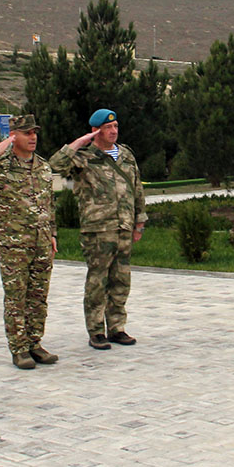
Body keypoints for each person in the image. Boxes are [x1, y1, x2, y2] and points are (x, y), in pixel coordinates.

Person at [0, 114, 58, 369]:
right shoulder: (1, 166)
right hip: (14, 245)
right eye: (27, 133)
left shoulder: (42, 166)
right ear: (13, 136)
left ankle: (35, 343)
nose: (33, 137)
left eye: (34, 132)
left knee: (38, 297)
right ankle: (19, 349)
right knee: (16, 298)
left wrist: (52, 234)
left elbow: (49, 204)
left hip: (40, 243)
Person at [49, 109, 147, 350]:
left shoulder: (125, 155)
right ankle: (96, 331)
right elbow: (54, 165)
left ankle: (117, 327)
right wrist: (81, 142)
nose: (113, 131)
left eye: (115, 127)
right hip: (98, 230)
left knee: (121, 280)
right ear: (96, 131)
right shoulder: (82, 157)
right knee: (97, 282)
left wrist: (139, 221)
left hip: (123, 227)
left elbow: (137, 188)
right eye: (107, 128)